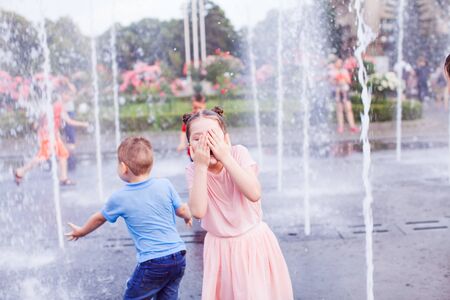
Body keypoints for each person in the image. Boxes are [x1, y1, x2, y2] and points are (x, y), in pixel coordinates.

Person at [183, 107, 293, 300]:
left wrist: (225, 157)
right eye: (197, 138)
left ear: (226, 139)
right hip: (219, 250)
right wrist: (201, 165)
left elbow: (254, 193)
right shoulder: (194, 169)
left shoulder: (238, 154)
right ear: (190, 147)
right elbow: (198, 211)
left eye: (212, 136)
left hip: (252, 244)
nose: (206, 143)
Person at [65, 136, 192, 300]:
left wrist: (81, 231)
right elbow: (182, 209)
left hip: (153, 262)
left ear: (123, 167)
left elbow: (99, 218)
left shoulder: (120, 197)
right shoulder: (165, 185)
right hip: (178, 256)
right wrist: (188, 217)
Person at [13, 86, 89, 186]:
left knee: (63, 154)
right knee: (42, 157)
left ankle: (64, 178)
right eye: (68, 95)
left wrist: (82, 124)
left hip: (53, 134)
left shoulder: (59, 105)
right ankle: (20, 171)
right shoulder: (57, 105)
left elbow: (67, 120)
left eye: (71, 96)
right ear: (63, 95)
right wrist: (39, 126)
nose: (70, 98)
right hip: (48, 134)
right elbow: (46, 116)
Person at [330, 58, 358, 134]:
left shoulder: (344, 71)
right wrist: (336, 79)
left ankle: (352, 126)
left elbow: (349, 81)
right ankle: (340, 126)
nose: (339, 64)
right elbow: (330, 81)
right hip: (337, 92)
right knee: (339, 110)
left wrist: (343, 78)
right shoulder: (332, 72)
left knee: (348, 109)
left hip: (345, 91)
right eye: (338, 62)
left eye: (340, 62)